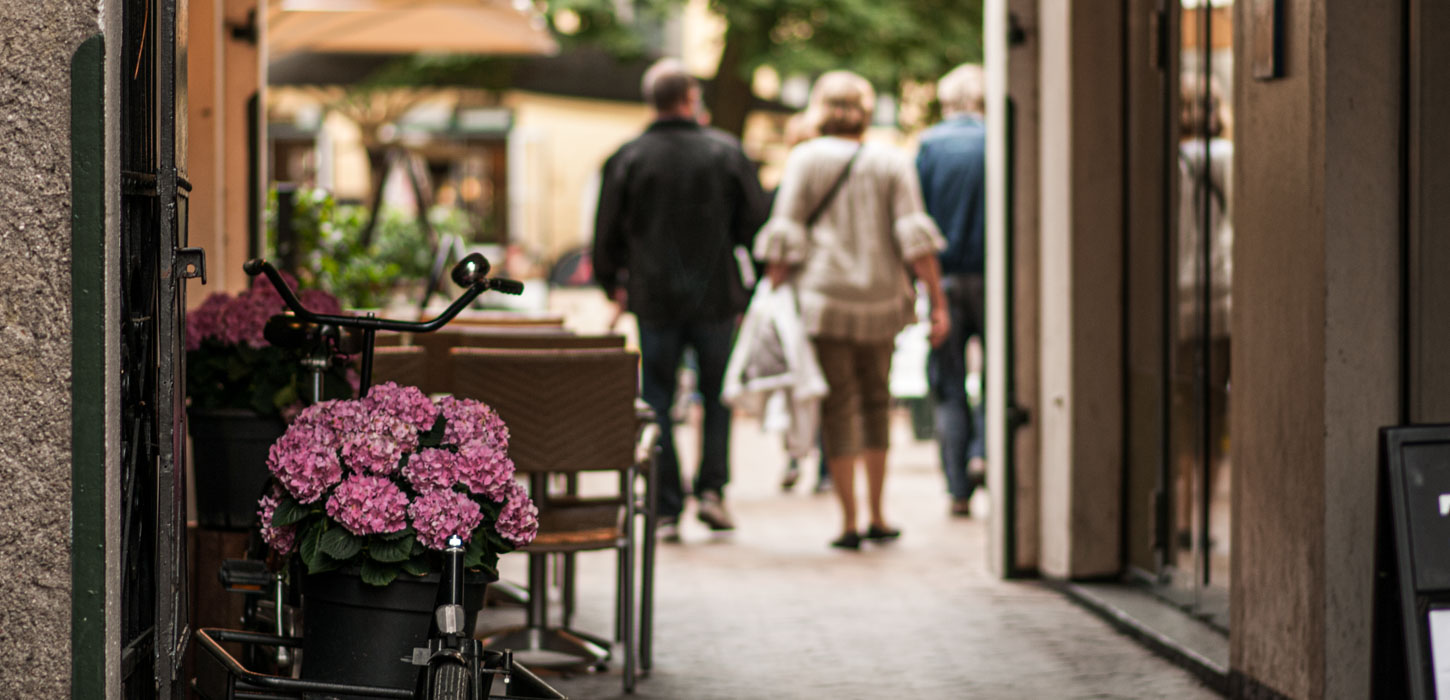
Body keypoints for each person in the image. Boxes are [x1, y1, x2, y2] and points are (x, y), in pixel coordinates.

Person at [758, 70, 949, 550]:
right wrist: (936, 301)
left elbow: (784, 237)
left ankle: (848, 521)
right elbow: (914, 237)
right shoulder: (891, 160)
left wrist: (769, 296)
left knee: (839, 407)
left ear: (820, 108)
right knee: (877, 403)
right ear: (865, 111)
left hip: (824, 301)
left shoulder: (804, 159)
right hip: (883, 300)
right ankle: (880, 513)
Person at [592, 58, 769, 542]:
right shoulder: (727, 152)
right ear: (691, 98)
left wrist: (613, 285)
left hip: (655, 298)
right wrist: (753, 284)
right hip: (717, 298)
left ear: (652, 101)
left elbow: (604, 232)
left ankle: (667, 504)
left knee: (659, 397)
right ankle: (712, 490)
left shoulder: (627, 157)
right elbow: (756, 224)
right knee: (716, 396)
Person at [916, 63, 988, 517]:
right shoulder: (996, 141)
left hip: (943, 280)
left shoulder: (928, 146)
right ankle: (983, 449)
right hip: (994, 279)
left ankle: (958, 488)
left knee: (948, 384)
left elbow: (916, 224)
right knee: (1002, 378)